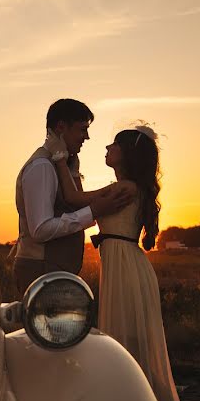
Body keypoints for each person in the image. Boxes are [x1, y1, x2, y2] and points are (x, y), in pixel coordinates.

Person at [47, 124, 200, 401]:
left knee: (128, 354)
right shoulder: (129, 187)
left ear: (127, 154)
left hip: (125, 268)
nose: (106, 147)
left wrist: (61, 160)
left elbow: (74, 201)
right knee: (131, 353)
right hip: (126, 266)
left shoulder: (123, 187)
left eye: (113, 145)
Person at [12, 99, 134, 295]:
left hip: (53, 269)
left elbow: (75, 198)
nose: (86, 137)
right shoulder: (41, 167)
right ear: (61, 127)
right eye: (82, 129)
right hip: (40, 270)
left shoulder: (65, 164)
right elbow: (40, 229)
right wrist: (94, 212)